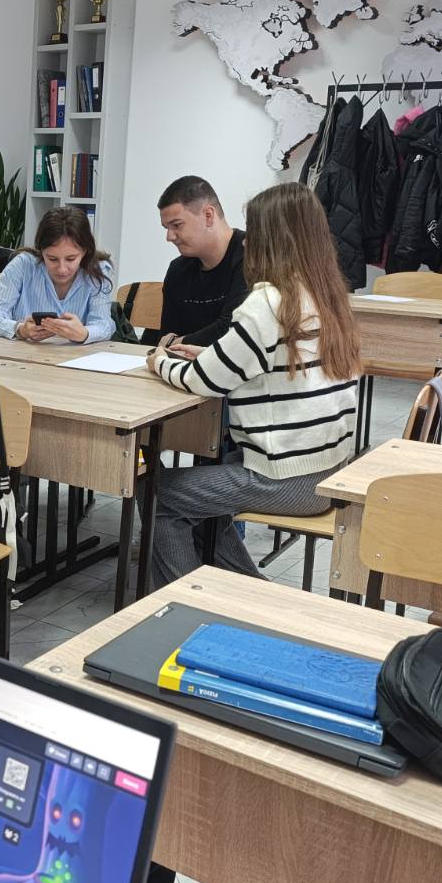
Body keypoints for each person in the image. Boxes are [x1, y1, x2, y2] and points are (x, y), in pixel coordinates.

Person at [145, 181, 359, 589]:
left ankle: (185, 602)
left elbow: (203, 380)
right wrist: (212, 355)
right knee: (206, 496)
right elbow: (257, 360)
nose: (246, 243)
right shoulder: (327, 297)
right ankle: (249, 592)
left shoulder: (267, 304)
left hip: (285, 479)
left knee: (159, 494)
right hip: (330, 468)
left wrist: (159, 362)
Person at [0, 206, 114, 343]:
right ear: (41, 251)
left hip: (76, 355)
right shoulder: (23, 265)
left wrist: (84, 333)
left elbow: (105, 325)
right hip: (23, 354)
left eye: (71, 259)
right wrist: (20, 329)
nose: (61, 269)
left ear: (85, 251)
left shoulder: (98, 271)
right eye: (52, 259)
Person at [154, 175, 247, 347]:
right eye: (166, 228)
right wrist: (176, 343)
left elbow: (233, 331)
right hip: (185, 363)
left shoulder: (252, 256)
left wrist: (180, 342)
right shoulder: (177, 269)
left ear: (208, 216)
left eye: (177, 225)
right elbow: (167, 339)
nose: (169, 236)